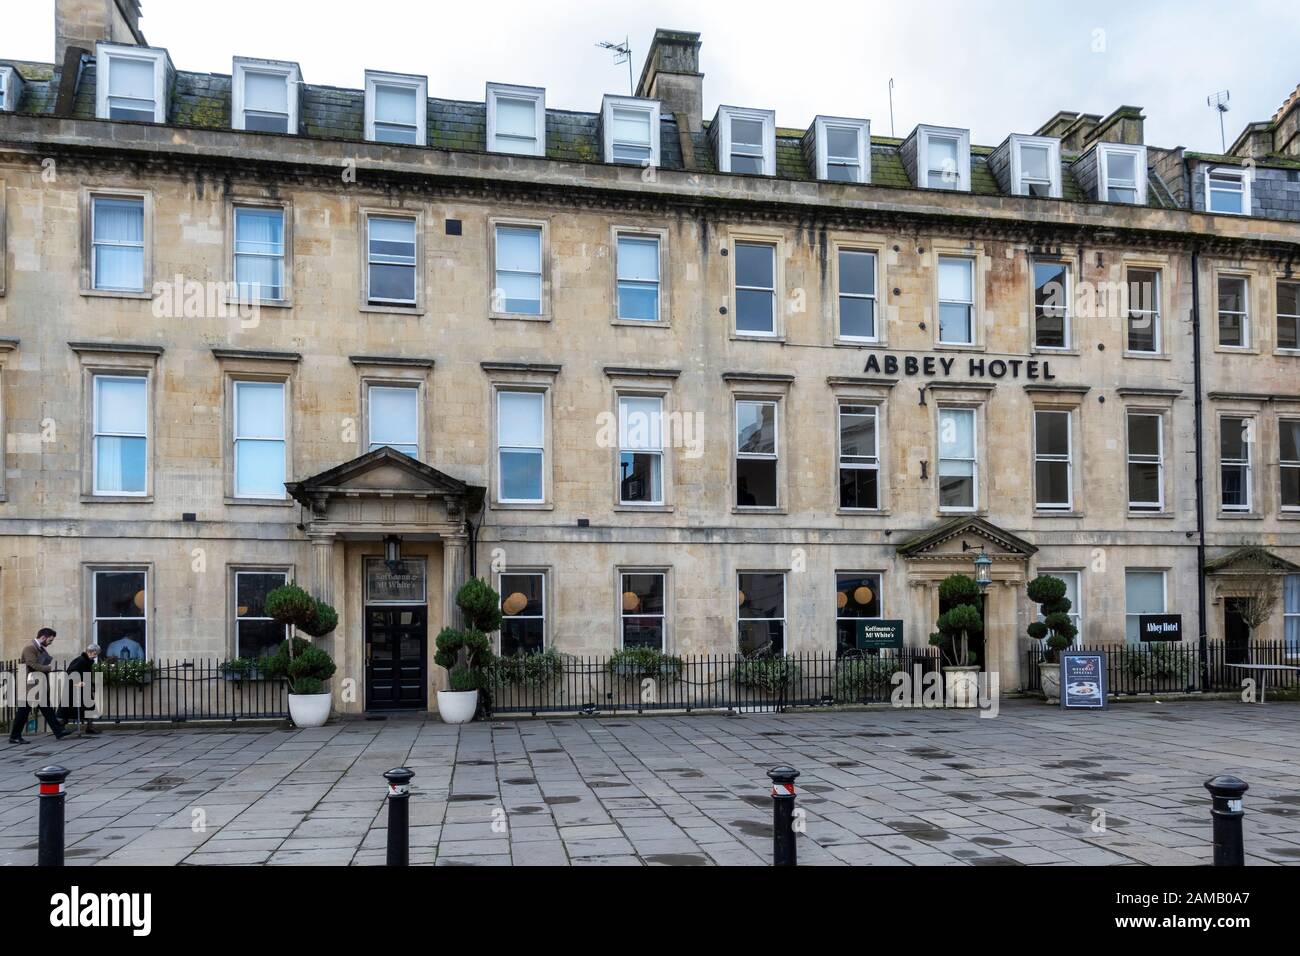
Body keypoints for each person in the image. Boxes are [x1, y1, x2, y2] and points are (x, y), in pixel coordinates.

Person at [8, 628, 70, 744]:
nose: (50, 643)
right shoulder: (30, 648)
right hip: (28, 685)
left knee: (47, 709)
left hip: (36, 683)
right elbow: (32, 664)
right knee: (23, 711)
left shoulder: (40, 648)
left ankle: (59, 731)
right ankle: (14, 736)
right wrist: (50, 668)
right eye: (50, 640)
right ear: (43, 637)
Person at [62, 644, 101, 736]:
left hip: (84, 687)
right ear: (89, 652)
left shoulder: (86, 661)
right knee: (69, 709)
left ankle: (90, 727)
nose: (96, 656)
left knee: (89, 707)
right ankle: (60, 727)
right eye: (95, 654)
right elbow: (71, 671)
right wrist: (78, 681)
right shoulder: (80, 660)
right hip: (76, 688)